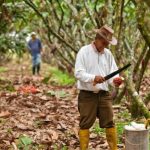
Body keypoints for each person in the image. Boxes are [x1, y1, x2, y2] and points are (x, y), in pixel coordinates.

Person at [75, 25, 123, 150]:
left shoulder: (108, 54)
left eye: (107, 43)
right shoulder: (84, 51)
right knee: (85, 124)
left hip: (104, 95)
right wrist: (93, 78)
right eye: (104, 42)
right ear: (97, 39)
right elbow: (78, 73)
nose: (106, 45)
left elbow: (113, 73)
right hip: (87, 95)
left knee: (110, 122)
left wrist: (115, 81)